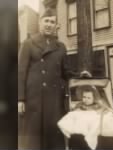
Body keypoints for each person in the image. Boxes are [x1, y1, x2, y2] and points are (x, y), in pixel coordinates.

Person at [18, 8, 72, 149]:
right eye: (46, 21)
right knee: (33, 139)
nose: (49, 24)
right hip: (33, 98)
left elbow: (66, 72)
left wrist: (81, 75)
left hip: (54, 100)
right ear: (40, 22)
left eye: (52, 22)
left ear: (56, 25)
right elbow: (21, 72)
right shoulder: (28, 43)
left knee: (53, 138)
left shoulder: (61, 47)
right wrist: (20, 99)